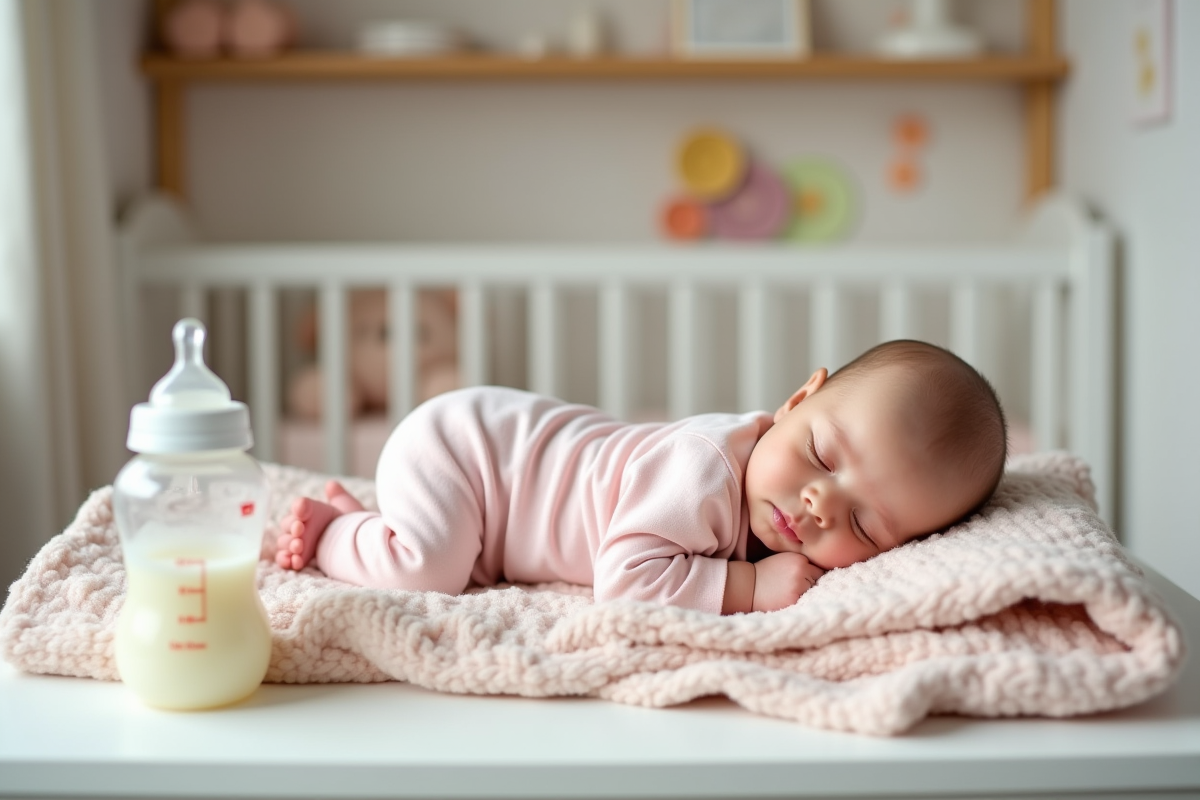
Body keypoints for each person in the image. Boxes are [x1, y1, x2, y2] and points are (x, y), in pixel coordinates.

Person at [276, 339, 1007, 614]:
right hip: (466, 452)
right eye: (821, 455)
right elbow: (624, 577)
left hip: (484, 487)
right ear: (795, 401)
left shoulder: (766, 490)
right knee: (429, 570)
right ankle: (337, 530)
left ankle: (376, 520)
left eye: (865, 524)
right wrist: (744, 588)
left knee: (448, 555)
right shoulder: (702, 472)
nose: (820, 505)